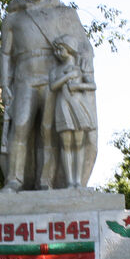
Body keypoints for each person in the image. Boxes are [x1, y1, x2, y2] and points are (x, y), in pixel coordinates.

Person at [0, 0, 96, 191]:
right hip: (24, 78)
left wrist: (84, 68)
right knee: (20, 125)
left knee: (48, 129)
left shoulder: (63, 14)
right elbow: (5, 55)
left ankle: (45, 180)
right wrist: (5, 84)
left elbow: (83, 45)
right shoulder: (14, 18)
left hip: (53, 77)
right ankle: (14, 179)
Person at [47, 35, 96, 188]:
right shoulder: (56, 70)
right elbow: (53, 86)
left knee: (79, 143)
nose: (57, 53)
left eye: (60, 49)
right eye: (55, 50)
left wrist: (77, 86)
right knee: (66, 144)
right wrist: (67, 76)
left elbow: (92, 85)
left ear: (69, 50)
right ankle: (69, 181)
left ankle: (78, 181)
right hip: (63, 105)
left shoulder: (80, 68)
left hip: (78, 105)